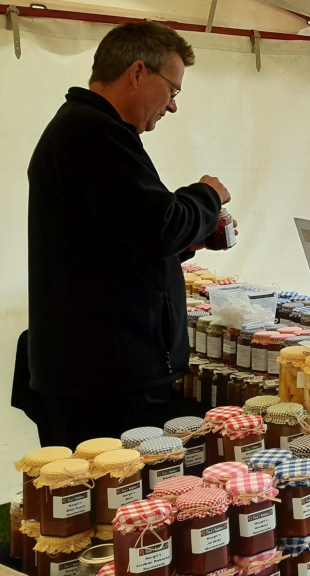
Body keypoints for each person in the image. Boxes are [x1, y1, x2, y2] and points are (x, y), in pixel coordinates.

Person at [25, 22, 234, 448]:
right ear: (138, 72)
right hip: (105, 375)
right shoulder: (93, 132)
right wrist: (206, 194)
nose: (172, 106)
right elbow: (160, 227)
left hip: (98, 369)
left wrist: (186, 242)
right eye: (172, 90)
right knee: (118, 501)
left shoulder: (89, 129)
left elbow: (124, 237)